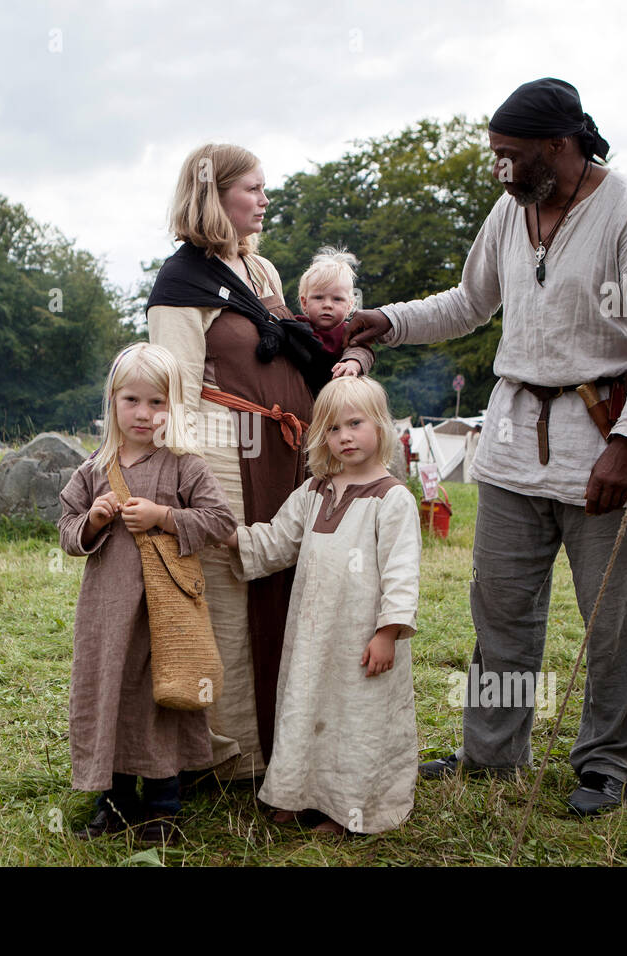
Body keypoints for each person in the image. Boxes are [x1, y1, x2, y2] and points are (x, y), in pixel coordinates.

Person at [346, 77, 627, 815]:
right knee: (500, 610)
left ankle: (607, 764)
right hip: (507, 446)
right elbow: (470, 302)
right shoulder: (510, 210)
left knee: (607, 617)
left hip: (600, 436)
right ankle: (493, 752)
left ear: (559, 146)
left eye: (510, 154)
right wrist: (389, 320)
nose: (499, 169)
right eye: (495, 155)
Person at [146, 144, 374, 785]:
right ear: (214, 195)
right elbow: (175, 388)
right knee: (229, 596)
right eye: (253, 188)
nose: (265, 199)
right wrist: (182, 482)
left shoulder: (262, 270)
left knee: (283, 589)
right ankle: (231, 757)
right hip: (222, 458)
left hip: (283, 453)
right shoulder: (180, 286)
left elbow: (300, 347)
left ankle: (282, 741)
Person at [57, 343, 236, 845]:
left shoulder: (184, 465)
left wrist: (164, 517)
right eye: (132, 400)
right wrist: (92, 520)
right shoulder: (95, 468)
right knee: (107, 696)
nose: (144, 413)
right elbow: (67, 530)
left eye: (157, 402)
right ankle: (112, 802)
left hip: (166, 617)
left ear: (174, 407)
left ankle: (162, 805)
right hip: (107, 617)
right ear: (113, 402)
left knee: (159, 702)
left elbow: (221, 522)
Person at [225, 376, 420, 834]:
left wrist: (387, 633)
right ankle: (295, 792)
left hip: (363, 639)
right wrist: (217, 531)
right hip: (312, 637)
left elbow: (402, 572)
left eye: (355, 424)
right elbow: (273, 542)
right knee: (304, 709)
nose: (344, 437)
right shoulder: (314, 492)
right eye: (332, 429)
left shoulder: (393, 499)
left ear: (380, 427)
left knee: (356, 720)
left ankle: (348, 808)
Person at [294, 247, 371, 379]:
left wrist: (352, 363)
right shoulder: (296, 327)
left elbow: (361, 350)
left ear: (349, 306)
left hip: (336, 392)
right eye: (318, 297)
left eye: (337, 299)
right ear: (305, 303)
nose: (327, 305)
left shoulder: (350, 332)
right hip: (301, 392)